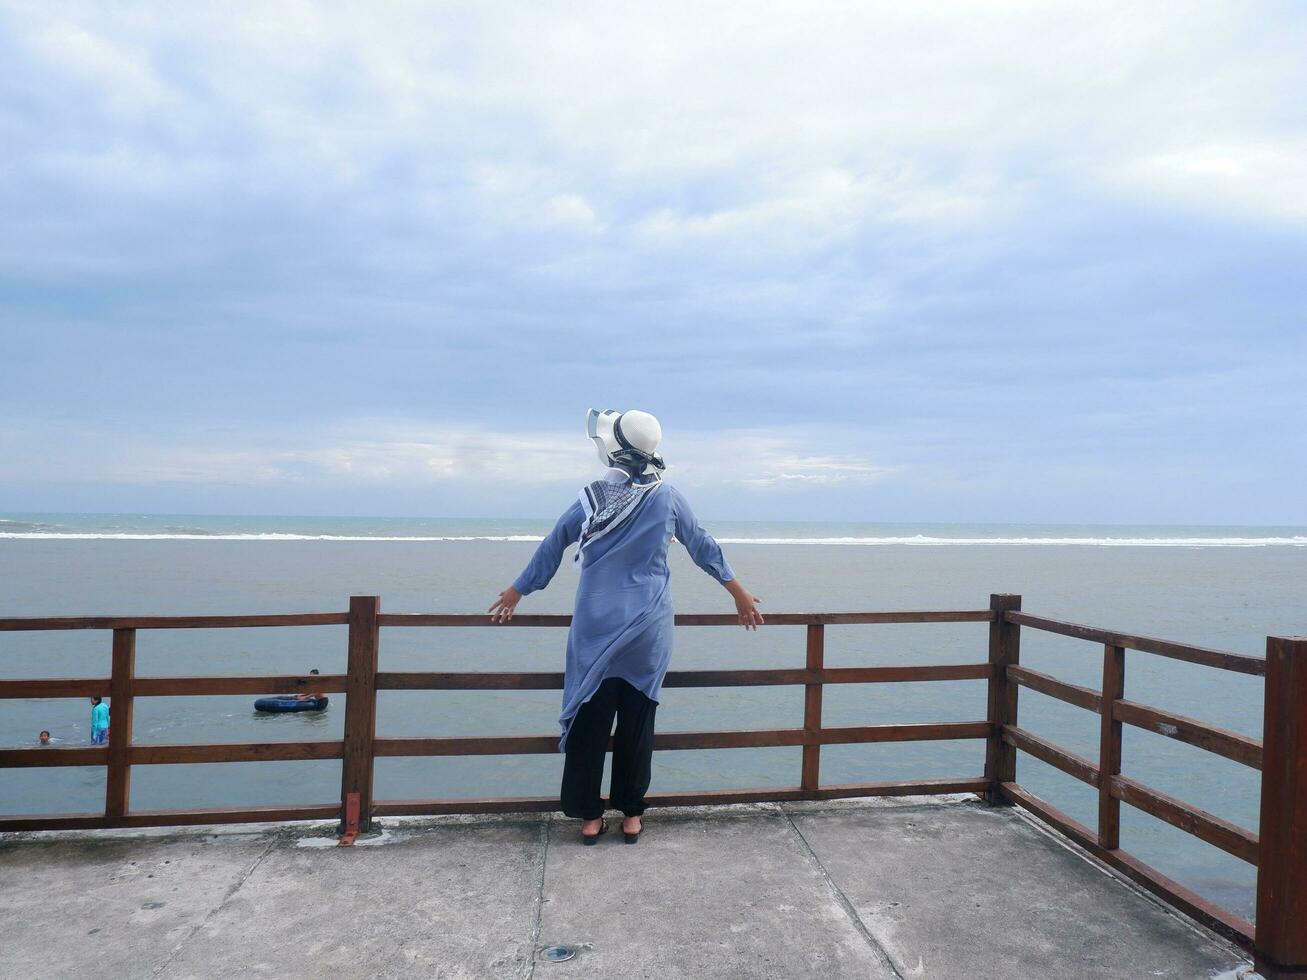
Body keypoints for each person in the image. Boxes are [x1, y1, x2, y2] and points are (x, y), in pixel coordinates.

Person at [489, 409, 763, 845]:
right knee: (638, 721)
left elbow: (554, 544)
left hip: (595, 628)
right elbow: (703, 546)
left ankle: (589, 816)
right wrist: (739, 593)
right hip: (648, 628)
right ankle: (632, 813)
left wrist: (517, 591)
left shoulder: (591, 497)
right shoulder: (668, 497)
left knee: (590, 721)